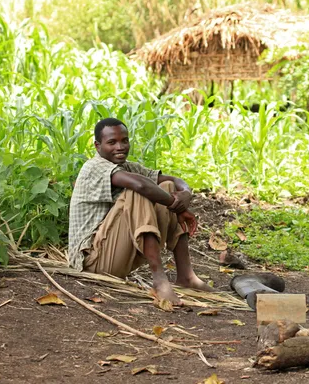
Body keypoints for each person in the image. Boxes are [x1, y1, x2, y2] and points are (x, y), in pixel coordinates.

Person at [67, 118, 213, 305]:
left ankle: (187, 276)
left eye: (124, 141)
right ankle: (159, 280)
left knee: (166, 187)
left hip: (118, 256)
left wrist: (185, 194)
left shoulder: (127, 167)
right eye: (112, 142)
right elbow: (140, 185)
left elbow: (173, 180)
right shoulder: (94, 167)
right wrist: (178, 206)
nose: (120, 147)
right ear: (98, 146)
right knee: (138, 192)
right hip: (93, 264)